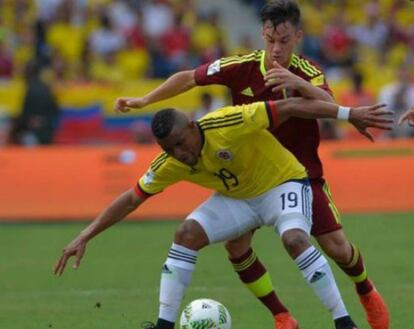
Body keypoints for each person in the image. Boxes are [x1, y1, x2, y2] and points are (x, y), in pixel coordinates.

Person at [113, 2, 390, 329]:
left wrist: (296, 82)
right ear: (262, 34)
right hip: (248, 175)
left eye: (284, 40)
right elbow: (189, 78)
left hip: (297, 174)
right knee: (236, 245)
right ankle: (282, 315)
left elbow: (331, 107)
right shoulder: (241, 66)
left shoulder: (307, 71)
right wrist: (145, 100)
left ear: (298, 37)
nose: (276, 48)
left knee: (337, 249)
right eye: (270, 39)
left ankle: (365, 289)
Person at [55, 99, 392, 329]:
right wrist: (85, 235)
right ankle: (164, 324)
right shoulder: (172, 161)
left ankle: (343, 321)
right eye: (168, 149)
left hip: (283, 184)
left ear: (191, 125)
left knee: (294, 239)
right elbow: (131, 199)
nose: (178, 153)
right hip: (239, 199)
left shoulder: (227, 121)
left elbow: (289, 106)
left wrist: (349, 114)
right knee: (186, 234)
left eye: (179, 143)